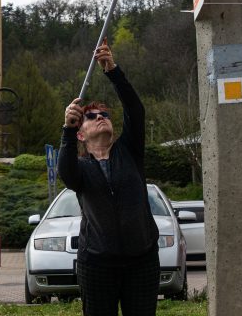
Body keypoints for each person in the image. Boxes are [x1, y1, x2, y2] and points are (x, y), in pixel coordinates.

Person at [59, 40, 160, 316]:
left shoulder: (129, 151)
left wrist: (112, 70)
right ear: (82, 133)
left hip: (142, 260)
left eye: (105, 114)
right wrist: (67, 129)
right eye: (91, 116)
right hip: (97, 264)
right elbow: (65, 174)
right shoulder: (80, 167)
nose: (101, 117)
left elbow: (135, 111)